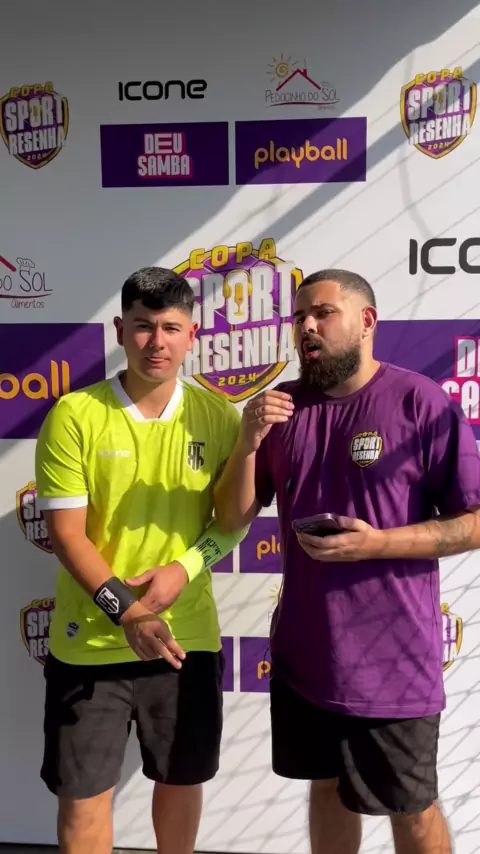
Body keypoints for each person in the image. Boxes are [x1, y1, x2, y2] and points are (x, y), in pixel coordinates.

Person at [214, 268, 480, 854]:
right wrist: (247, 440)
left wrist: (377, 543)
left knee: (412, 809)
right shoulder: (281, 410)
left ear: (366, 321)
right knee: (327, 787)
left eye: (323, 313)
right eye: (299, 317)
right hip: (304, 657)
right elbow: (232, 517)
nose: (307, 326)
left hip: (393, 664)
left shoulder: (418, 401)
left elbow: (475, 521)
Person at [35, 267, 247, 854]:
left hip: (185, 642)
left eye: (171, 328)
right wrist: (127, 611)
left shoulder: (219, 417)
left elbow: (231, 523)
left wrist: (184, 569)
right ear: (119, 330)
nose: (157, 342)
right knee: (83, 798)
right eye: (144, 326)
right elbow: (66, 535)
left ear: (192, 334)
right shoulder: (74, 414)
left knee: (179, 782)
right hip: (90, 642)